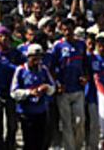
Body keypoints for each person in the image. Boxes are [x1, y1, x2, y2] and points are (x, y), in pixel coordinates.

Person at [51, 19, 88, 150]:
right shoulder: (57, 46)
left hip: (78, 89)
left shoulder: (81, 45)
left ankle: (78, 146)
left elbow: (86, 64)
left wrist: (85, 77)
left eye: (69, 29)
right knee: (66, 123)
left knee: (80, 121)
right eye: (64, 30)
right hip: (63, 90)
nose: (67, 32)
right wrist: (57, 84)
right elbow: (51, 67)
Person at [11, 44, 56, 150]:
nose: (38, 61)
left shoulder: (43, 69)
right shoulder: (20, 70)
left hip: (41, 111)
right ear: (29, 57)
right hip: (26, 112)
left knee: (40, 141)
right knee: (29, 142)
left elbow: (52, 88)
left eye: (40, 57)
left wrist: (47, 87)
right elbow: (13, 92)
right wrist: (29, 92)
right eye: (35, 57)